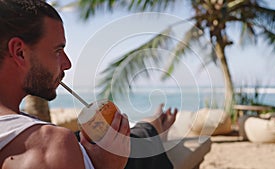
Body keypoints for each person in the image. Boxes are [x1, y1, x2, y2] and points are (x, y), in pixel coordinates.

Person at [0, 0, 177, 169]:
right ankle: (153, 125)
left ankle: (151, 125)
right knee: (141, 143)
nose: (67, 63)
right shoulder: (50, 147)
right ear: (19, 52)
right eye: (58, 50)